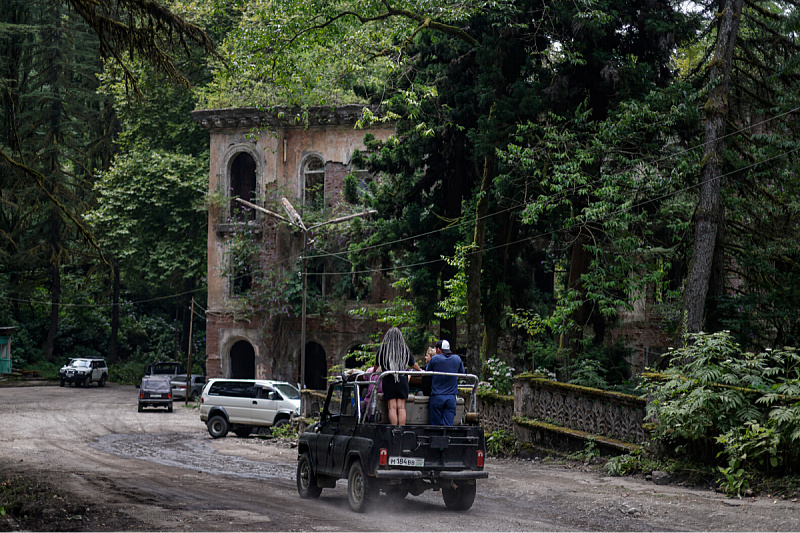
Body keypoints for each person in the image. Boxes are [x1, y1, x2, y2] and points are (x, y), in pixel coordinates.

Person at [375, 327, 421, 425]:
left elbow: (376, 364)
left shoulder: (383, 348)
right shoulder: (404, 348)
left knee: (391, 407)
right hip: (402, 379)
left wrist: (374, 371)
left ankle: (394, 429)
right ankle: (402, 429)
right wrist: (420, 370)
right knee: (401, 407)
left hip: (389, 379)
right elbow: (413, 363)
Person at [426, 340, 465, 426]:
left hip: (437, 396)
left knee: (435, 426)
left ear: (439, 349)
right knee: (448, 426)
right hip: (451, 398)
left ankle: (436, 438)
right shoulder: (457, 358)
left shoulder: (435, 359)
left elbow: (427, 373)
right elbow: (462, 373)